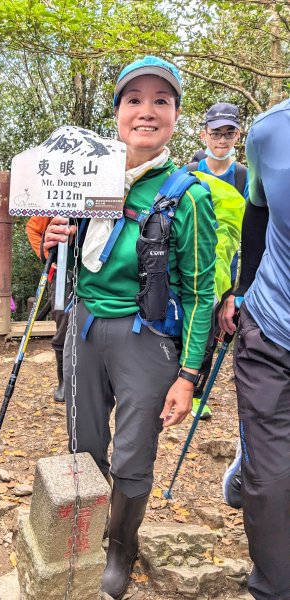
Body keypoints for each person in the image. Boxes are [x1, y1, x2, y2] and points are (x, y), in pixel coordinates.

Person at [44, 56, 217, 600]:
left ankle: (122, 545)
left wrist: (189, 375)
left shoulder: (189, 194)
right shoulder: (85, 178)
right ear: (117, 112)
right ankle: (89, 532)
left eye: (160, 101)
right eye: (134, 100)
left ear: (175, 115)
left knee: (134, 453)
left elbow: (201, 292)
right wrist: (50, 240)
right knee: (85, 441)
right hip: (84, 327)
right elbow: (67, 262)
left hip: (147, 340)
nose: (146, 112)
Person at [218, 98, 290, 600]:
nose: (222, 139)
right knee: (272, 478)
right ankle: (273, 586)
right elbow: (257, 217)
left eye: (228, 132)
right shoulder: (270, 133)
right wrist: (238, 292)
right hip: (270, 326)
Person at [187, 102, 248, 419]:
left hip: (226, 271)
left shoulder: (244, 178)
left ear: (238, 135)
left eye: (229, 133)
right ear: (204, 134)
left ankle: (196, 392)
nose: (221, 140)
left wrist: (239, 290)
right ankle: (170, 384)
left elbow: (251, 231)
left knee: (211, 332)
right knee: (179, 324)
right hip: (189, 265)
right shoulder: (189, 173)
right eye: (215, 133)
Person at [26, 216, 70, 403]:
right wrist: (45, 253)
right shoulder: (58, 203)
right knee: (63, 321)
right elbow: (33, 228)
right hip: (63, 271)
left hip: (97, 269)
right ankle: (64, 382)